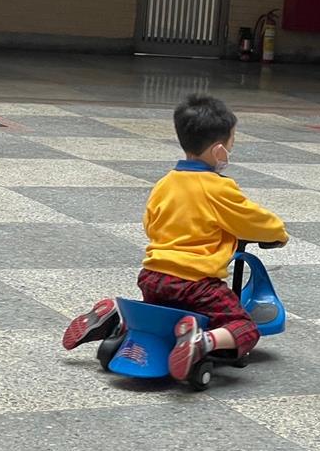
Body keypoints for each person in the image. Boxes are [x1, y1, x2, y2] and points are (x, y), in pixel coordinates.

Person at [62, 93, 288, 380]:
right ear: (219, 150)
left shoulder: (165, 183)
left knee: (163, 314)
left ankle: (116, 318)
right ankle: (203, 340)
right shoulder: (218, 187)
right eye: (232, 141)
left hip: (153, 277)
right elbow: (253, 220)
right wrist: (279, 233)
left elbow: (151, 225)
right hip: (196, 285)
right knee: (244, 327)